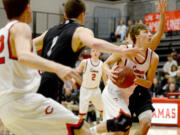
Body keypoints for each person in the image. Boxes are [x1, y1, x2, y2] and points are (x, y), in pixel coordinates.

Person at [0, 0, 92, 134]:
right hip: (24, 102)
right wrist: (59, 68)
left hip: (6, 109)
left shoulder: (3, 33)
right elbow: (24, 55)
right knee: (82, 129)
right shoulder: (21, 27)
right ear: (27, 8)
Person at [35, 0, 143, 104]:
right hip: (52, 84)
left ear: (65, 14)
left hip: (37, 80)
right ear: (83, 15)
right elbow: (95, 44)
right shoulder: (81, 31)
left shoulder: (48, 31)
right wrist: (121, 50)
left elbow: (27, 46)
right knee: (59, 121)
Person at [76, 49, 104, 120]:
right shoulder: (84, 62)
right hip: (85, 89)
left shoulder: (102, 64)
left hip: (96, 90)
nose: (95, 52)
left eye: (97, 51)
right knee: (81, 113)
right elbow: (76, 72)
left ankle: (106, 126)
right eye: (93, 51)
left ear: (100, 53)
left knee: (103, 110)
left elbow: (104, 78)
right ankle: (78, 127)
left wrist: (107, 87)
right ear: (90, 53)